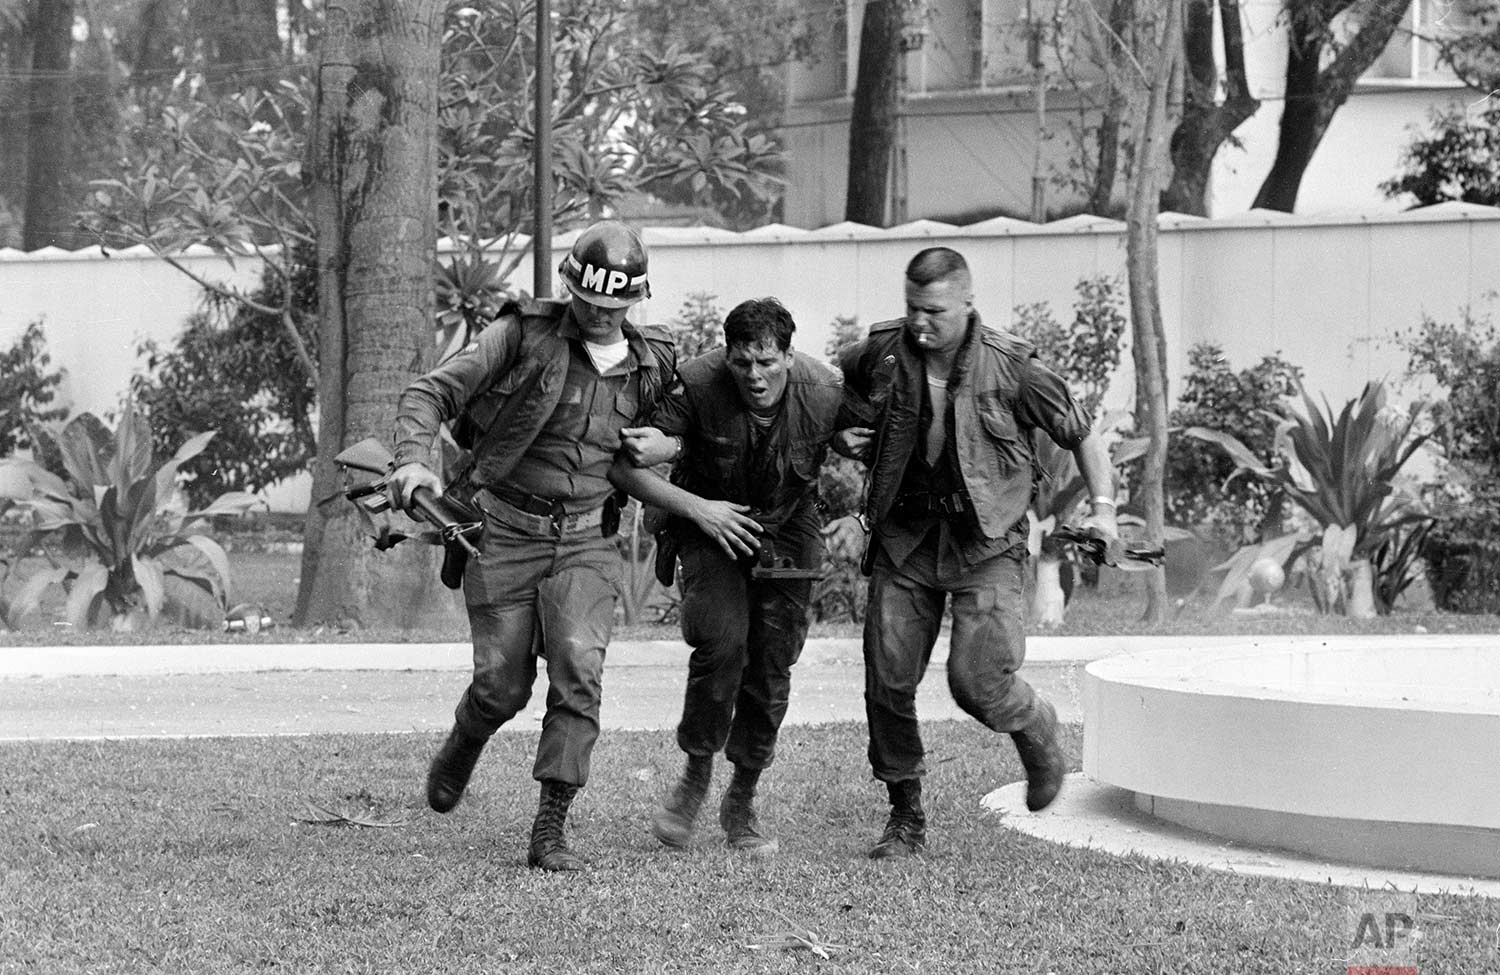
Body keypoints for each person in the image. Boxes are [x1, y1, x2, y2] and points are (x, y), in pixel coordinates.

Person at [385, 220, 676, 872]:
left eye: (616, 306)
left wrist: (668, 445)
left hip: (586, 538)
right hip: (506, 530)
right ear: (571, 288)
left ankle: (551, 827)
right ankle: (468, 735)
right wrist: (413, 460)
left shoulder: (653, 361)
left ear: (635, 299)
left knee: (579, 667)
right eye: (590, 303)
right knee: (502, 684)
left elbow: (698, 417)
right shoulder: (522, 334)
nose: (602, 317)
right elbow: (429, 391)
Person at [835, 246, 1119, 859]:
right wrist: (845, 429)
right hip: (906, 539)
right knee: (888, 679)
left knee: (978, 681)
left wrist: (1105, 512)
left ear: (966, 302)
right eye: (912, 308)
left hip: (985, 541)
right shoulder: (884, 351)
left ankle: (1035, 726)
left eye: (933, 311)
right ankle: (905, 817)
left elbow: (1083, 432)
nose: (919, 323)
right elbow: (846, 387)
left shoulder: (1013, 367)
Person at [610, 297, 851, 856]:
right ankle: (695, 774)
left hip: (787, 527)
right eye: (742, 362)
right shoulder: (696, 381)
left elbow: (884, 438)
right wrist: (694, 502)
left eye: (767, 363)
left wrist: (860, 516)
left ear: (789, 357)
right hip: (708, 520)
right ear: (727, 355)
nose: (754, 376)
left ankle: (741, 797)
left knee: (772, 662)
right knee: (721, 641)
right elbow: (635, 459)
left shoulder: (826, 390)